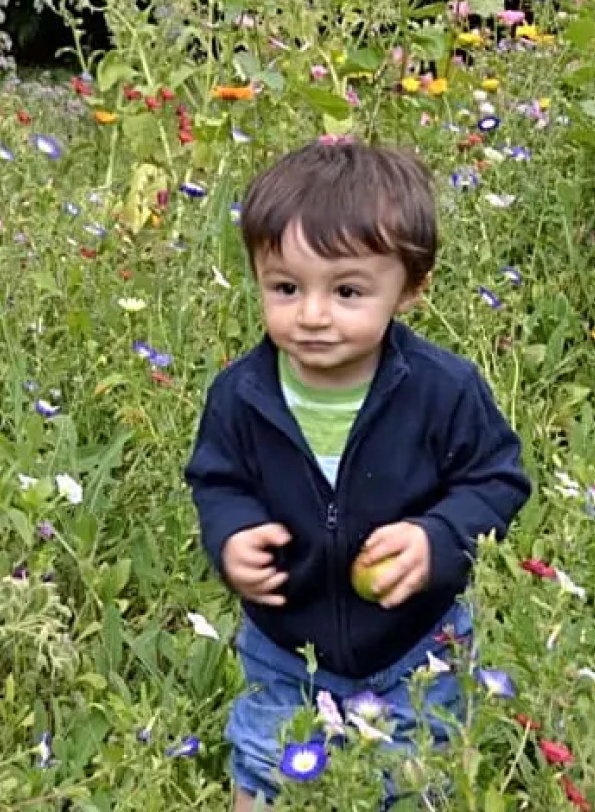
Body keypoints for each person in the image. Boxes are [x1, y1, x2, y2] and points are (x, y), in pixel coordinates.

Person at [185, 139, 532, 809]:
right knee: (264, 762)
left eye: (347, 290)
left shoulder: (443, 390)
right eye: (285, 287)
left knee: (413, 773)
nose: (312, 314)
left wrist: (438, 539)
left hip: (416, 642)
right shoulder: (241, 394)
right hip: (284, 641)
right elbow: (217, 481)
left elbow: (496, 480)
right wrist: (231, 534)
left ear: (411, 288)